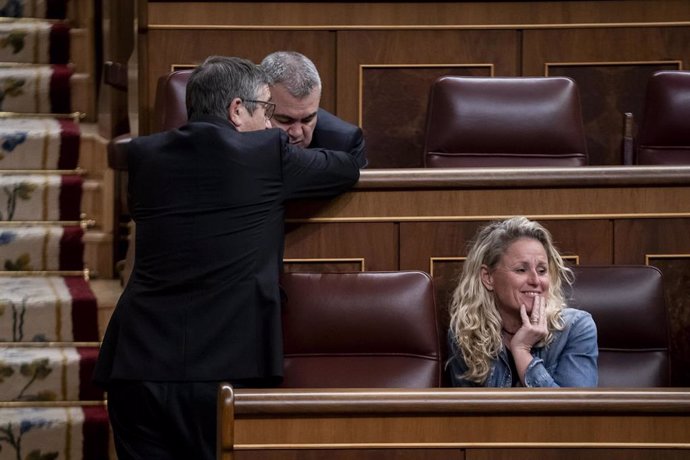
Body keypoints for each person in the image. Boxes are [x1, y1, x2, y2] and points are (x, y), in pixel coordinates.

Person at [93, 56, 360, 460]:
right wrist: (313, 117)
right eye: (268, 110)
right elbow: (347, 165)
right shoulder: (269, 155)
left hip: (136, 362)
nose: (272, 125)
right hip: (222, 373)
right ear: (238, 110)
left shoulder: (144, 157)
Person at [446, 216, 598, 387]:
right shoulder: (468, 334)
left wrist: (522, 351)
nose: (535, 280)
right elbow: (467, 412)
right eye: (521, 270)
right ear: (488, 278)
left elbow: (575, 410)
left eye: (542, 271)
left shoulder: (575, 328)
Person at [260, 50, 367, 168]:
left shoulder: (344, 142)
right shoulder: (239, 132)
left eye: (307, 119)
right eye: (285, 120)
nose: (297, 133)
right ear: (261, 107)